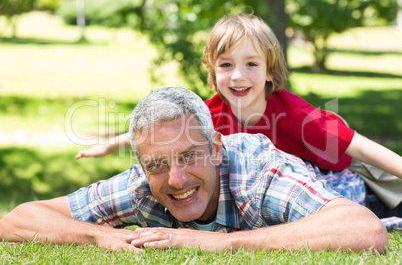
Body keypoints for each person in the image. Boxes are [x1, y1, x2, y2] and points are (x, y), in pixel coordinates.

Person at [75, 13, 402, 218]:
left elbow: (360, 147)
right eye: (226, 65)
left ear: (270, 72)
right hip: (273, 187)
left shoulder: (296, 116)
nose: (238, 76)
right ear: (213, 71)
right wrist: (109, 145)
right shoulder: (211, 112)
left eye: (251, 64)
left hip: (331, 181)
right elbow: (164, 131)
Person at [0, 87, 388, 253]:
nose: (176, 179)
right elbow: (16, 221)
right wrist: (100, 238)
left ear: (216, 148)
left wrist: (220, 243)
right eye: (157, 165)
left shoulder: (259, 175)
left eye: (188, 157)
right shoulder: (141, 186)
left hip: (352, 188)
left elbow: (364, 229)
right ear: (142, 167)